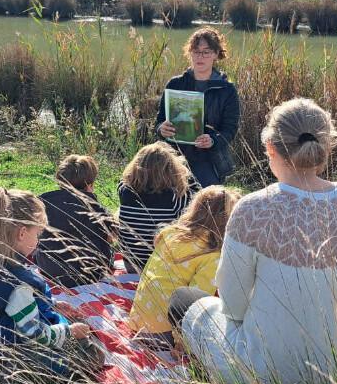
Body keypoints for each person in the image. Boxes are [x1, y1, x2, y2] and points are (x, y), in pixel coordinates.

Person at [170, 98, 337, 384]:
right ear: (327, 147)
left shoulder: (252, 209)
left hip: (257, 379)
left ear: (270, 147)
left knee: (183, 299)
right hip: (330, 380)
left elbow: (233, 306)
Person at [0, 186, 106, 379]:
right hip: (22, 359)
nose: (38, 239)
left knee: (75, 322)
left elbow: (12, 308)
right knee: (94, 353)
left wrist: (53, 304)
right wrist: (70, 332)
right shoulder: (19, 284)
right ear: (22, 233)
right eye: (37, 233)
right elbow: (35, 334)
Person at [127, 185, 240, 348]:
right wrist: (182, 345)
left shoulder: (171, 234)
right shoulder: (212, 256)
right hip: (164, 334)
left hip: (138, 321)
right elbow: (194, 307)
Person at [156, 27, 241, 188]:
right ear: (190, 53)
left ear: (216, 54)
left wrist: (213, 140)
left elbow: (230, 129)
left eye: (206, 52)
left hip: (209, 159)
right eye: (196, 51)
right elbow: (159, 121)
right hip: (175, 155)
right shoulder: (175, 84)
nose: (200, 56)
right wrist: (162, 129)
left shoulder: (227, 90)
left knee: (205, 203)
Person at [34, 155, 118, 286]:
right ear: (90, 184)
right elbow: (113, 235)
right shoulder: (96, 208)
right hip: (89, 274)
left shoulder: (42, 203)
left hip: (49, 269)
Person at [117, 142, 193, 272]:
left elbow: (124, 180)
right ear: (172, 169)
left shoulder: (124, 190)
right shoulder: (176, 196)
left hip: (131, 264)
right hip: (161, 266)